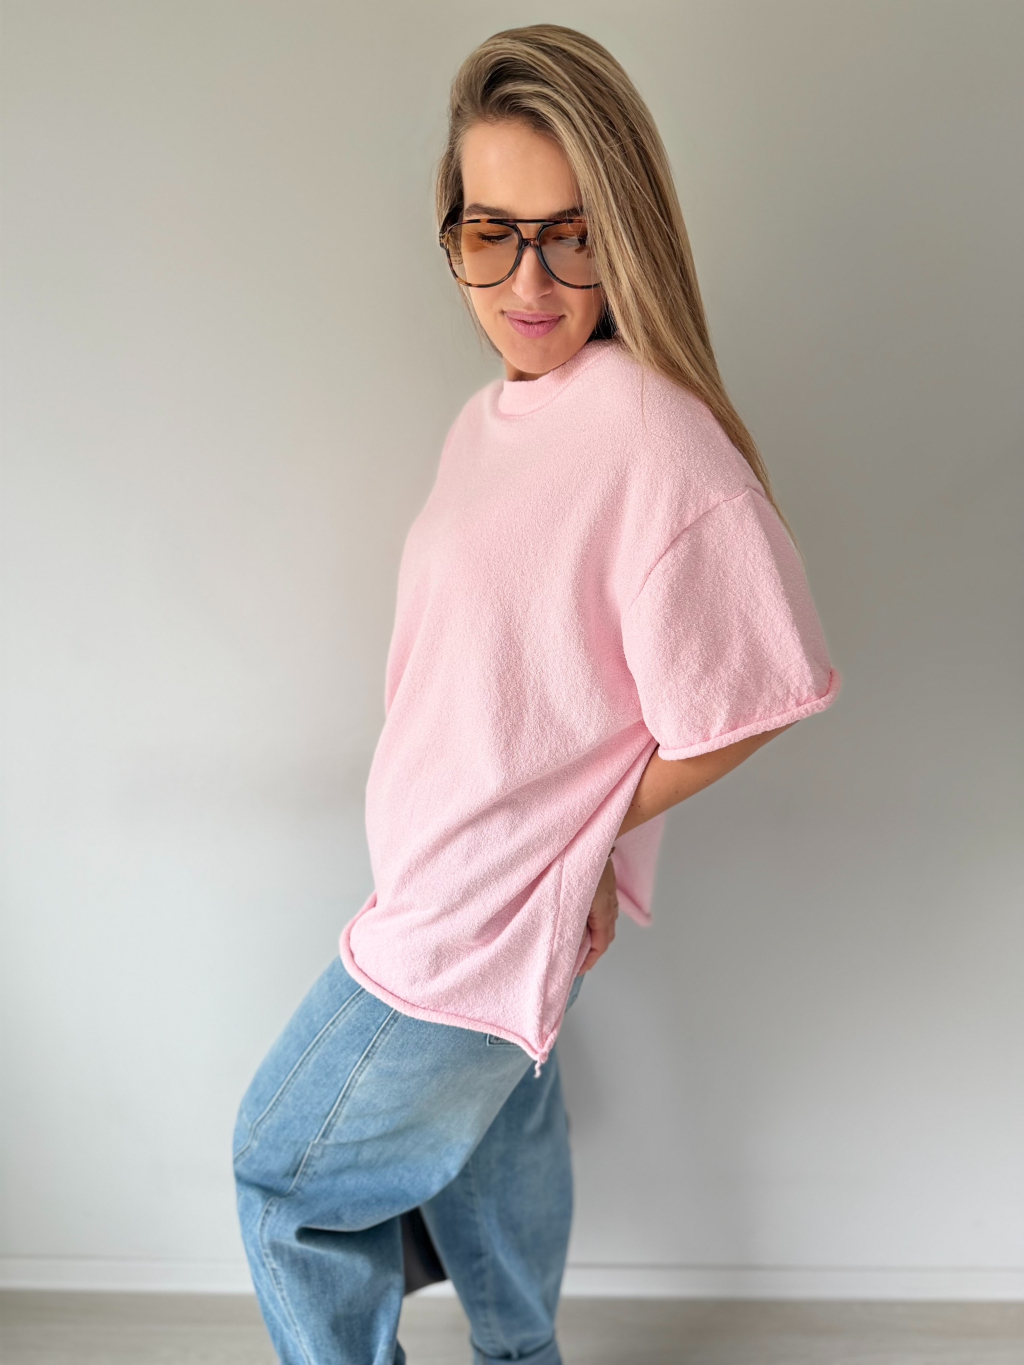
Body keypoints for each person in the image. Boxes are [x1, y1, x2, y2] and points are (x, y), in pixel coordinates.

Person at [232, 23, 840, 1365]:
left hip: (469, 913)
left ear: (626, 234)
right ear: (450, 230)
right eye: (491, 233)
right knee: (491, 1166)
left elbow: (758, 689)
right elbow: (537, 684)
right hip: (463, 887)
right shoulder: (490, 418)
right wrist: (584, 855)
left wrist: (582, 834)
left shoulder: (649, 430)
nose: (529, 280)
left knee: (285, 1179)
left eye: (570, 236)